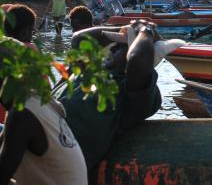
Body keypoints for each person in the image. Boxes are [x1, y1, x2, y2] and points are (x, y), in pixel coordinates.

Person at [52, 21, 163, 173]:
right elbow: (78, 40)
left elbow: (137, 60)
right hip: (37, 144)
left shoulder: (131, 92)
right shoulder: (90, 68)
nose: (113, 48)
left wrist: (146, 31)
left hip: (58, 165)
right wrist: (128, 28)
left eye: (121, 46)